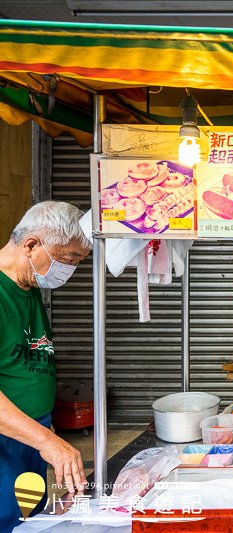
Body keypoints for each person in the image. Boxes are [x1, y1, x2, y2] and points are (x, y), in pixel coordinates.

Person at [0, 201, 91, 531]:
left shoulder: (27, 287)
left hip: (30, 432)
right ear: (31, 245)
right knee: (7, 518)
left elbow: (27, 363)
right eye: (68, 259)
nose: (70, 269)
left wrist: (45, 432)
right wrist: (47, 442)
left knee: (29, 518)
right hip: (6, 435)